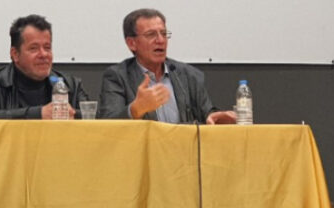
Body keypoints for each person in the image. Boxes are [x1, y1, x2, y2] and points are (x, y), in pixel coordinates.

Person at [98, 8, 236, 124]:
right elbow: (107, 124)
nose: (160, 40)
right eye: (151, 34)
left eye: (164, 34)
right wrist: (135, 110)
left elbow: (207, 113)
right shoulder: (118, 77)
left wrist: (214, 117)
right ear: (131, 43)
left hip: (183, 147)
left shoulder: (188, 75)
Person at [0, 14, 89, 119]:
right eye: (34, 48)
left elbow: (91, 115)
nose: (43, 54)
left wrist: (70, 114)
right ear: (15, 54)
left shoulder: (70, 85)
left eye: (47, 48)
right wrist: (38, 114)